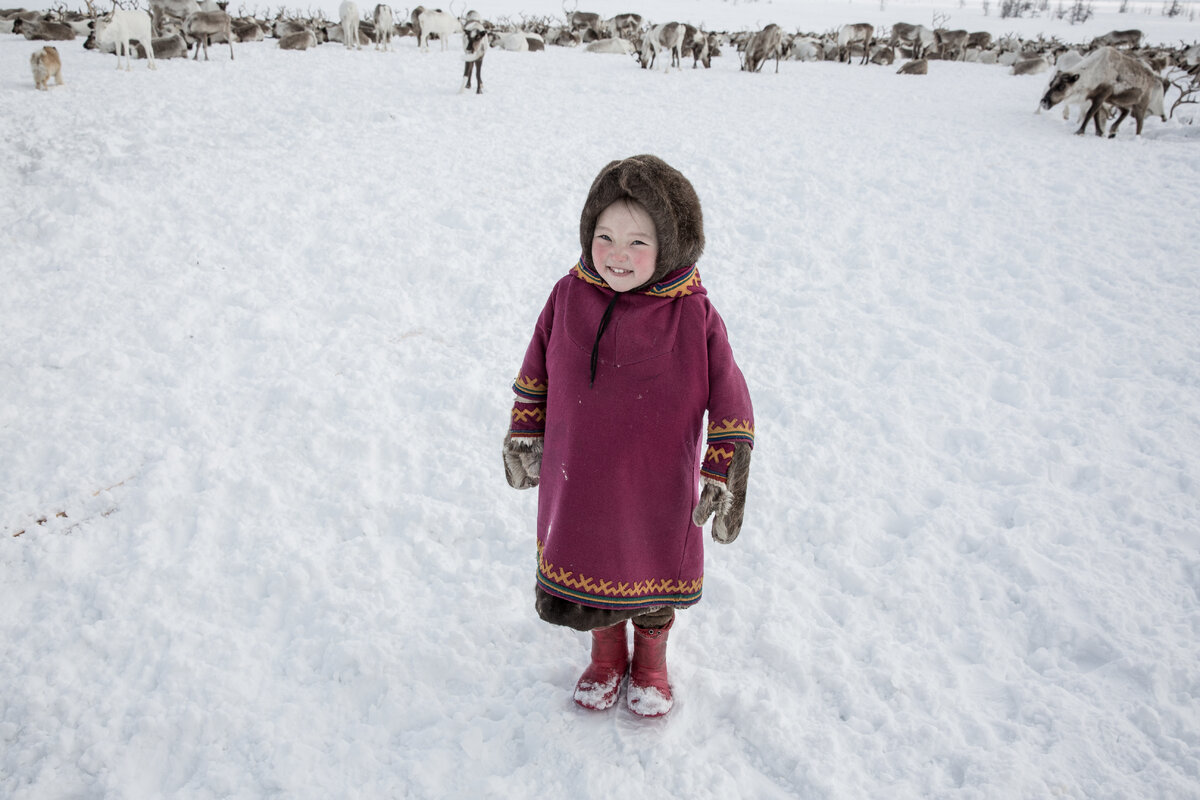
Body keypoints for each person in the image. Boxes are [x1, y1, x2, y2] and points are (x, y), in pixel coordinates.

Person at [503, 155, 754, 718]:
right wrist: (525, 430)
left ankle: (652, 663)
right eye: (605, 236)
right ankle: (607, 655)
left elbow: (731, 395)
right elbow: (537, 366)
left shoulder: (693, 315)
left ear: (671, 244)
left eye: (638, 242)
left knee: (653, 565)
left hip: (656, 480)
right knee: (593, 561)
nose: (617, 255)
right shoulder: (568, 295)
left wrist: (723, 468)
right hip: (581, 476)